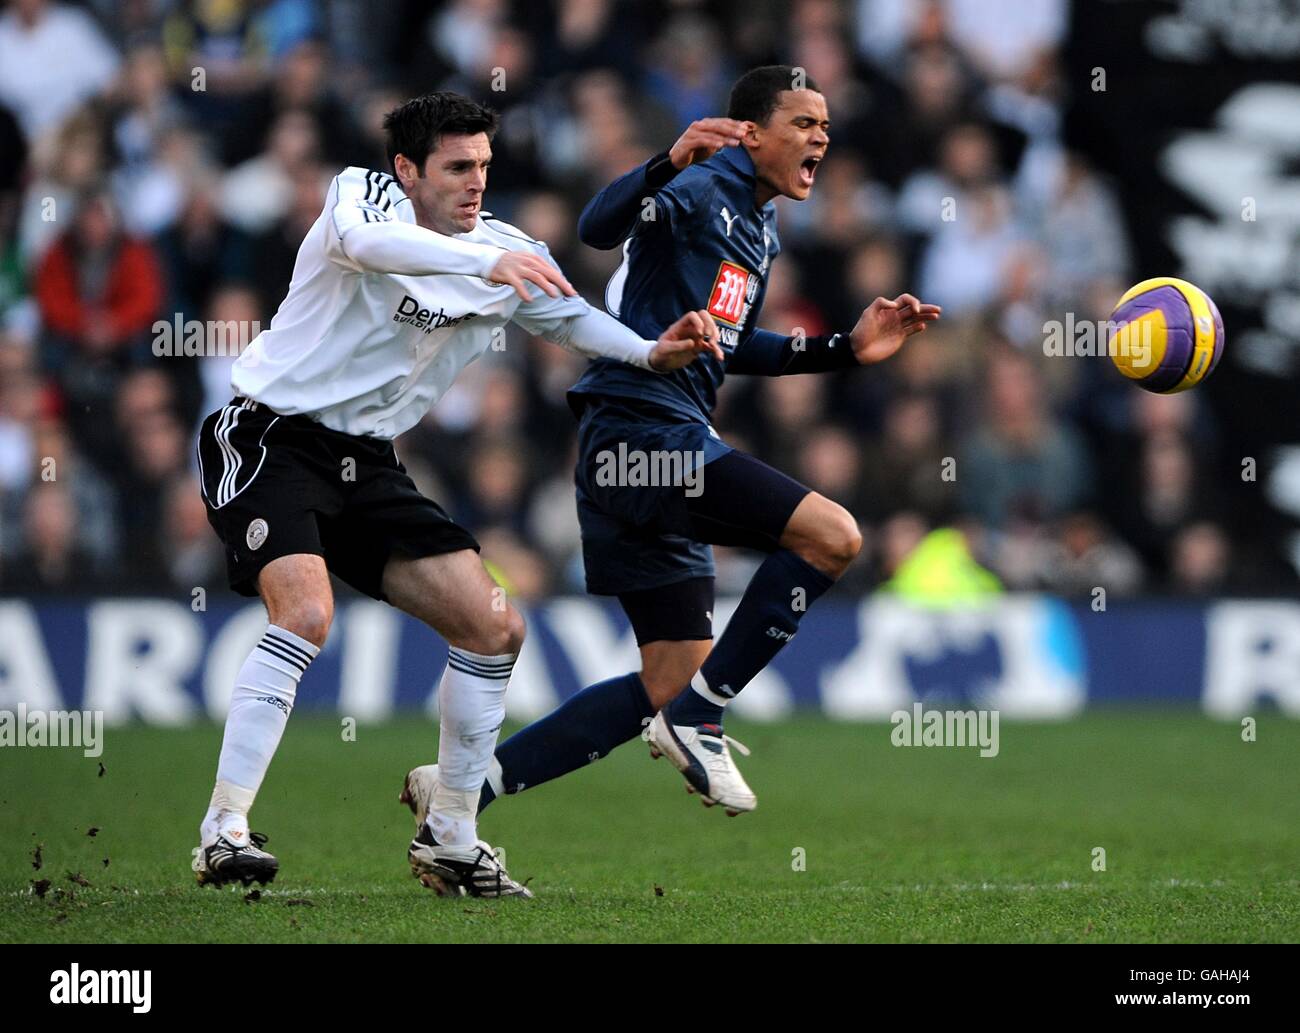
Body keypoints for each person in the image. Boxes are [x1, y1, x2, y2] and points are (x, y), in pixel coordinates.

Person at [191, 91, 721, 897]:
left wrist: (651, 352)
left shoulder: (505, 247)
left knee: (493, 626)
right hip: (270, 434)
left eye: (483, 165)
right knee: (305, 611)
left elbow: (570, 318)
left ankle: (451, 836)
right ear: (407, 169)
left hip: (366, 462)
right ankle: (224, 829)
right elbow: (373, 248)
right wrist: (487, 264)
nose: (476, 182)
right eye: (457, 167)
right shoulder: (359, 197)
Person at [419, 65, 939, 819]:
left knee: (667, 677)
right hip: (639, 433)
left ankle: (462, 795)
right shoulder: (701, 189)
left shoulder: (758, 221)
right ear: (752, 133)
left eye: (826, 125)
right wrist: (666, 161)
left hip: (651, 441)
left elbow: (730, 343)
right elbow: (595, 228)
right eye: (803, 122)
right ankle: (703, 716)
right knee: (833, 536)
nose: (821, 136)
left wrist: (844, 350)